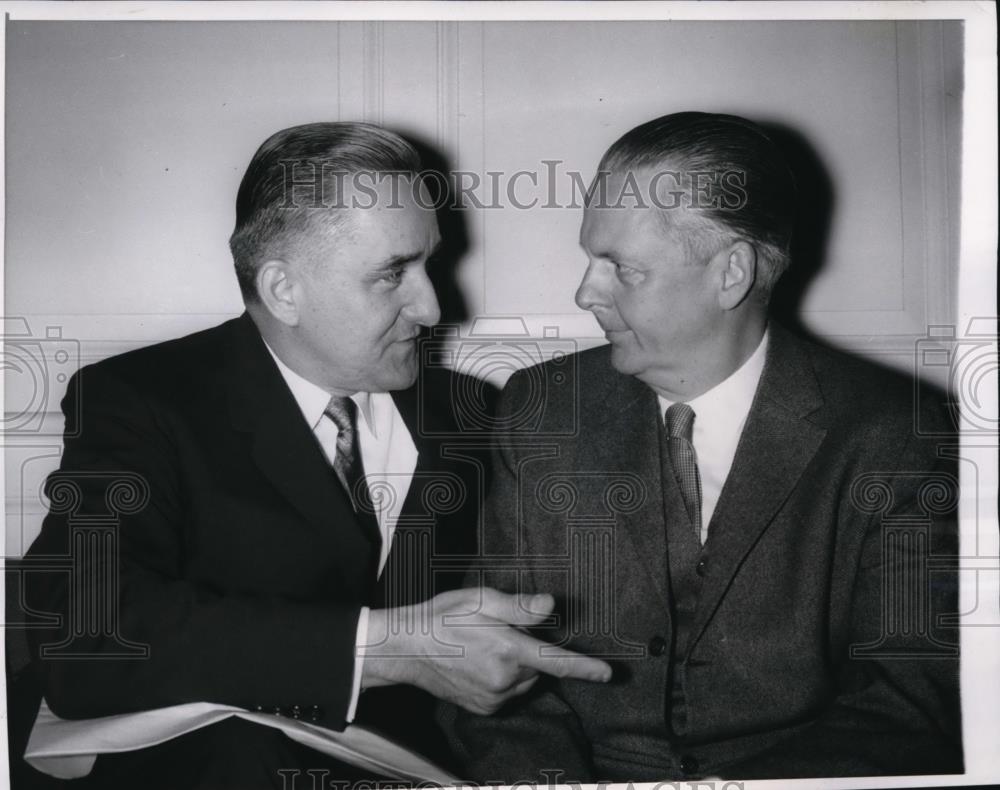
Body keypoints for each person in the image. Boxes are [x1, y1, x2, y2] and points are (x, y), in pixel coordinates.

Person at [22, 122, 611, 789]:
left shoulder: (474, 415)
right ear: (283, 292)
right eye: (393, 274)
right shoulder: (142, 400)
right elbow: (83, 638)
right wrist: (385, 648)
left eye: (430, 262)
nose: (433, 305)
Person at [446, 112, 962, 781]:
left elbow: (907, 705)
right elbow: (490, 671)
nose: (584, 292)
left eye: (621, 268)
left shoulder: (890, 430)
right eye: (589, 259)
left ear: (731, 274)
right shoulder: (540, 411)